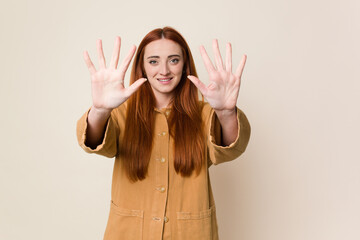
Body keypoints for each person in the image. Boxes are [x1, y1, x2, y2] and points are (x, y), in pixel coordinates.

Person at [76, 26, 251, 240]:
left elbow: (230, 148)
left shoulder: (204, 114)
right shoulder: (123, 113)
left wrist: (226, 113)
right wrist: (100, 111)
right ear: (142, 66)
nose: (164, 70)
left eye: (174, 60)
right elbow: (93, 141)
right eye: (153, 61)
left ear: (185, 65)